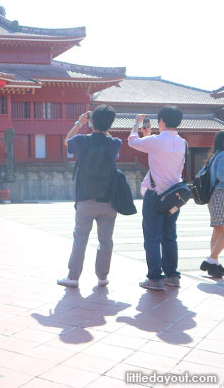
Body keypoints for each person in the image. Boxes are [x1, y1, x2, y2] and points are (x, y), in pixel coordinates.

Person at [57, 105, 122, 288]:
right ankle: (102, 277)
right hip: (108, 201)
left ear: (92, 121)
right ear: (111, 123)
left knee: (80, 238)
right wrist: (104, 128)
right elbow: (109, 141)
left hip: (85, 199)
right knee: (106, 241)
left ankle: (73, 277)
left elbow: (66, 141)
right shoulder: (115, 142)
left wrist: (80, 123)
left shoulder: (81, 140)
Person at [129, 106, 186, 291]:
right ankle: (172, 275)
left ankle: (154, 277)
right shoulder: (183, 142)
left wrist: (136, 124)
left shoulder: (156, 140)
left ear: (161, 121)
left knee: (152, 237)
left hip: (155, 196)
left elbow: (132, 141)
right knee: (169, 236)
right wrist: (149, 137)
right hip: (174, 196)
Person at [202, 131, 224, 278]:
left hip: (214, 195)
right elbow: (222, 175)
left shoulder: (215, 155)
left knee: (218, 229)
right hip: (221, 194)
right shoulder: (223, 156)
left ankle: (214, 262)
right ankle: (211, 260)